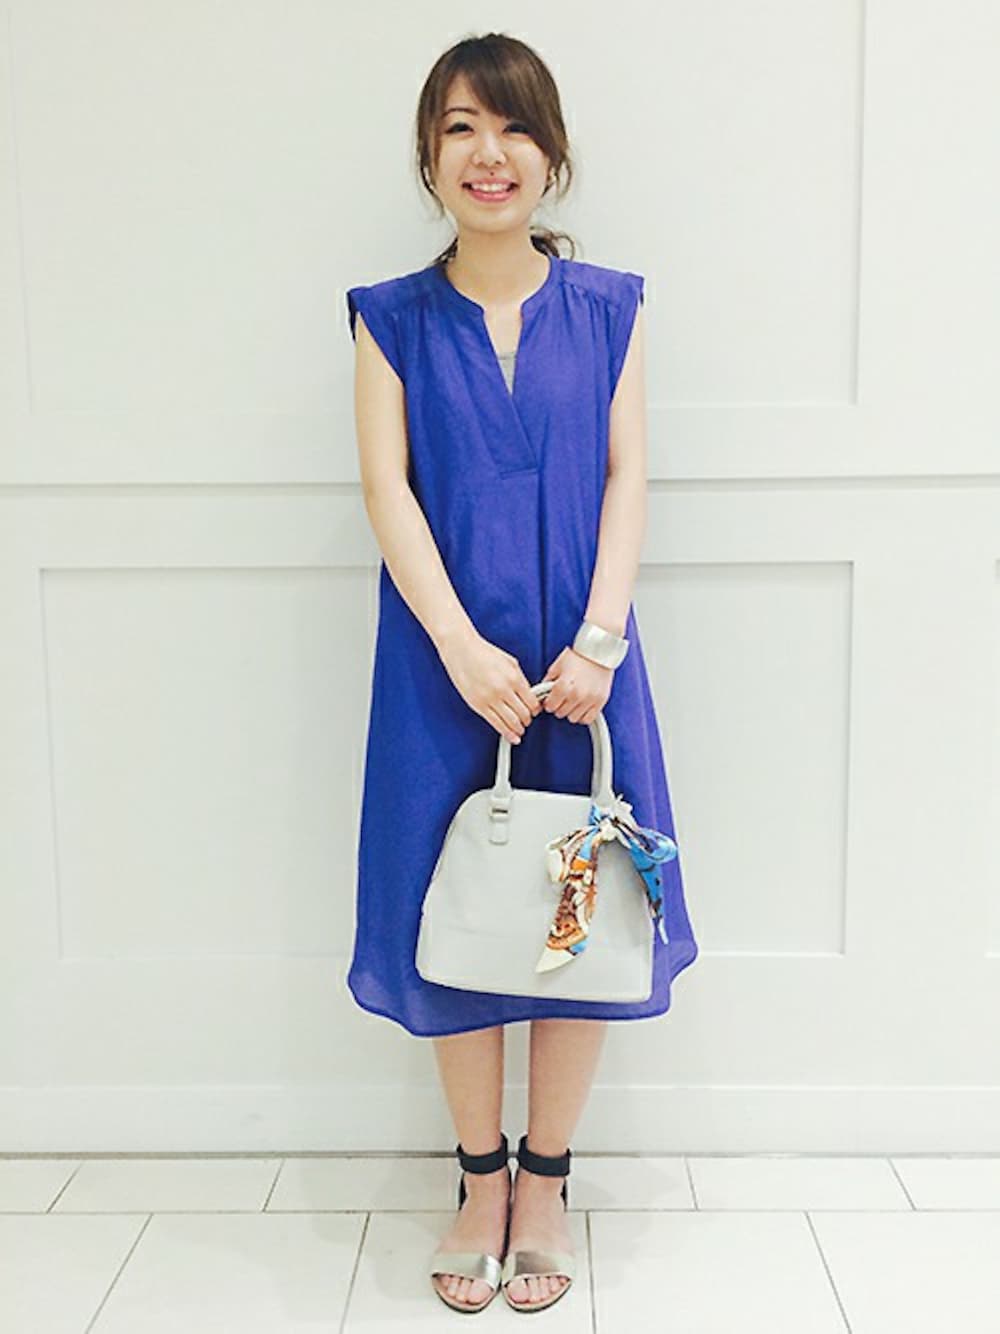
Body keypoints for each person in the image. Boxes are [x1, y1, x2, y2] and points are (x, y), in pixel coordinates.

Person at [345, 32, 699, 1315]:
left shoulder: (609, 307)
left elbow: (627, 472)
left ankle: (545, 1178)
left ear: (551, 153)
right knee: (457, 918)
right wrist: (457, 644)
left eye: (511, 127)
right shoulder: (388, 318)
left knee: (579, 914)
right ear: (428, 156)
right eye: (458, 128)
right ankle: (477, 1176)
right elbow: (387, 489)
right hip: (442, 664)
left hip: (583, 668)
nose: (486, 154)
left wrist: (599, 641)